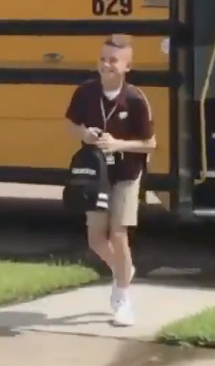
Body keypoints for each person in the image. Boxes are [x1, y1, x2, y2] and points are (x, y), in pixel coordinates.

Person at [63, 34, 156, 326]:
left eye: (113, 60)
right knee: (95, 239)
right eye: (103, 59)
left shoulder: (136, 100)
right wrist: (85, 135)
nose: (106, 65)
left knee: (119, 234)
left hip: (127, 174)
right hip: (97, 173)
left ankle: (122, 297)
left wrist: (118, 145)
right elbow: (70, 125)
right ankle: (124, 272)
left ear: (127, 66)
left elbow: (150, 144)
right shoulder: (85, 93)